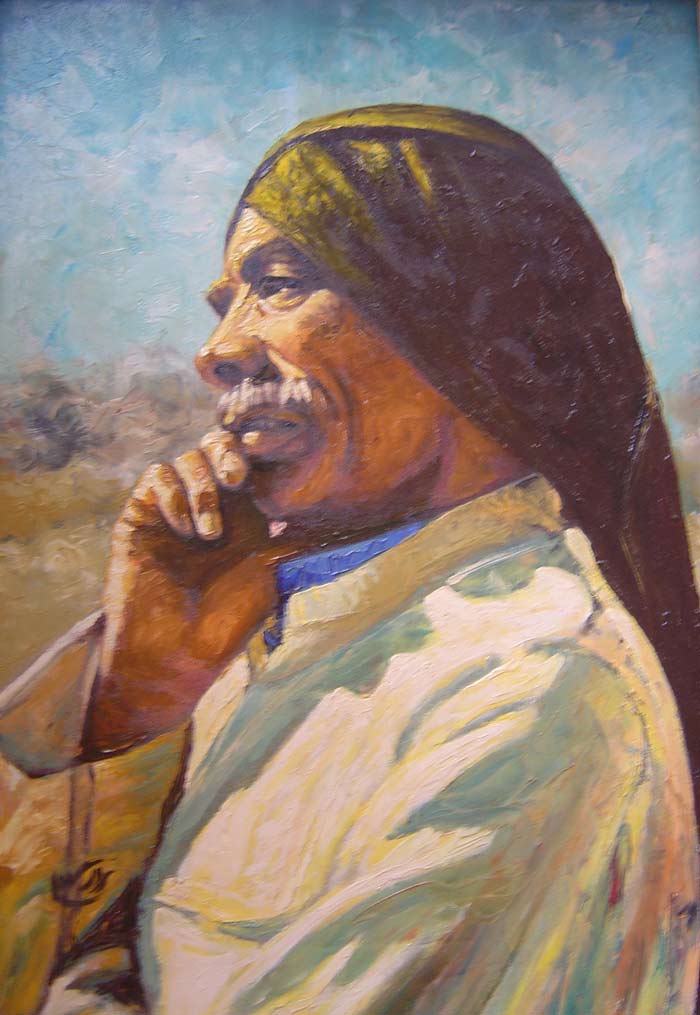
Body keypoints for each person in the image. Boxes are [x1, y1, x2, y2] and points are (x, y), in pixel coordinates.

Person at [0, 104, 698, 1014]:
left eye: (280, 284)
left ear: (468, 330)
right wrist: (134, 696)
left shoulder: (531, 693)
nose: (218, 351)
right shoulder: (265, 635)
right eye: (227, 302)